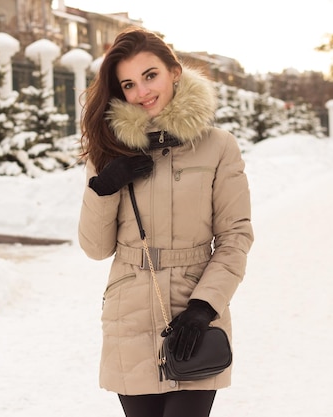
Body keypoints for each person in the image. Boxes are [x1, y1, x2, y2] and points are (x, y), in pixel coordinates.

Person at [78, 26, 254, 417]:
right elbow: (95, 248)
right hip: (130, 314)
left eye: (150, 75)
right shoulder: (109, 148)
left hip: (193, 313)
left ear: (174, 71)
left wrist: (203, 308)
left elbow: (235, 236)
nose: (142, 92)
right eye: (128, 84)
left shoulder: (218, 146)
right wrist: (105, 187)